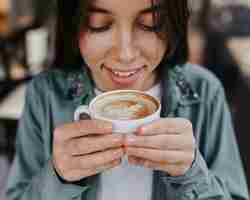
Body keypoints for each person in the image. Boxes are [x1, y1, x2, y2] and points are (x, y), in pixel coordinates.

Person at [5, 0, 249, 199]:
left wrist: (192, 173)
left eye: (150, 24)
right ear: (71, 25)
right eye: (98, 24)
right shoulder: (44, 94)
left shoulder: (204, 91)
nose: (125, 54)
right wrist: (56, 178)